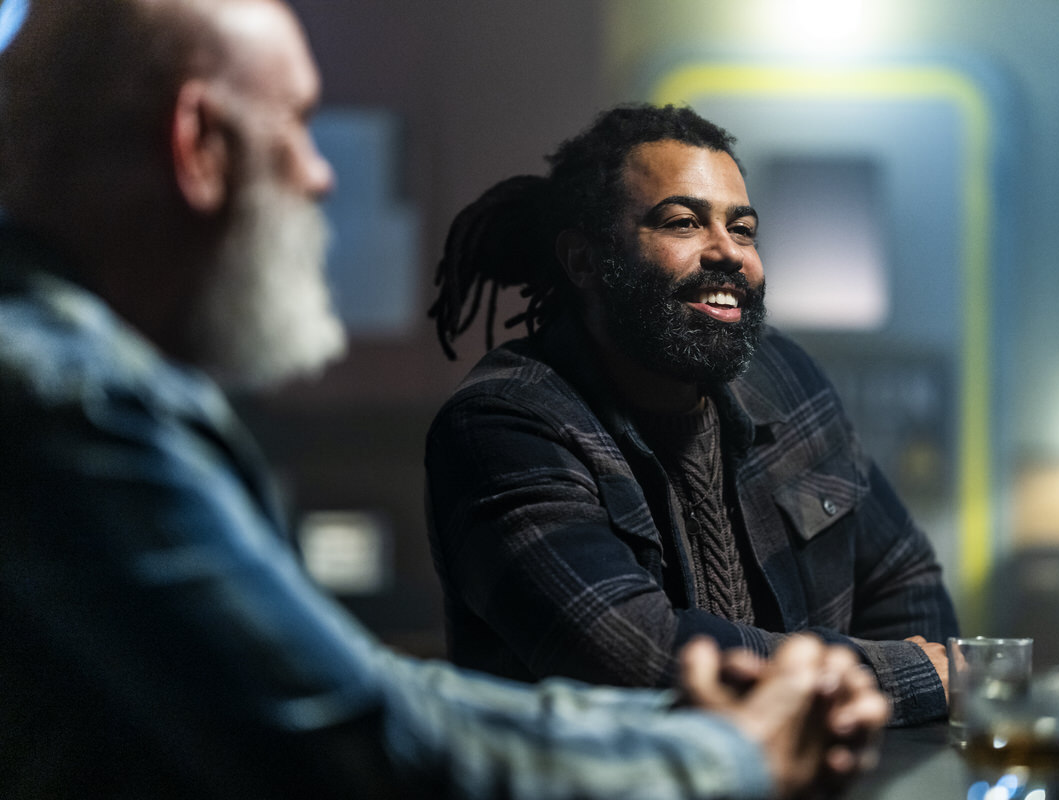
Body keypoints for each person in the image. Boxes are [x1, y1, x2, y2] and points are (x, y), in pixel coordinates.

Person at [0, 1, 890, 797]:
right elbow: (360, 746)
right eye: (300, 125)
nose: (321, 175)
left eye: (742, 225)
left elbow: (372, 689)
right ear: (198, 144)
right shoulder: (73, 408)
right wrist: (732, 759)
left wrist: (690, 728)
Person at [425, 103, 959, 727]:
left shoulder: (786, 378)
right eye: (682, 223)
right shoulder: (502, 426)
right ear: (584, 261)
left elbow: (903, 578)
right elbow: (635, 654)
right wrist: (908, 678)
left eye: (744, 227)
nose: (728, 253)